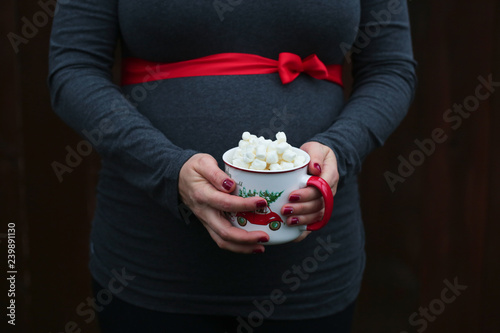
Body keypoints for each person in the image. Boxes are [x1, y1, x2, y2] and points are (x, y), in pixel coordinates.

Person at [48, 0, 416, 332]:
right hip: (151, 264)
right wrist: (168, 168)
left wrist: (341, 148)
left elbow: (391, 69)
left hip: (308, 272)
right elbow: (73, 68)